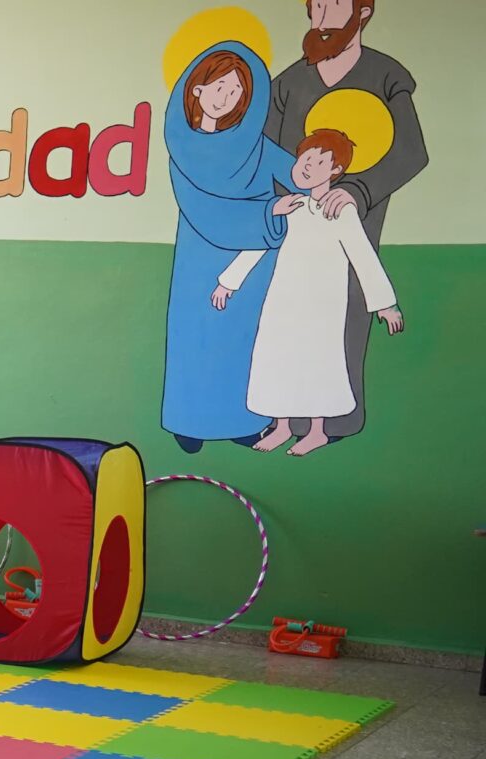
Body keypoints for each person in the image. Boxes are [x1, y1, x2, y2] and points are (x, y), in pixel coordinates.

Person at [262, 0, 428, 444]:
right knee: (286, 320)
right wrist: (285, 203)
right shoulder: (289, 82)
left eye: (333, 5)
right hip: (294, 226)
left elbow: (411, 152)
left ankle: (335, 421)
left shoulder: (386, 76)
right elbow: (268, 150)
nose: (321, 17)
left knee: (343, 315)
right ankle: (287, 419)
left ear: (364, 12)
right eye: (315, 6)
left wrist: (357, 190)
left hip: (352, 218)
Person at [212, 130, 404, 457]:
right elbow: (261, 243)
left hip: (323, 302)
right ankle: (282, 426)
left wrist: (385, 304)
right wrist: (229, 281)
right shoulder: (290, 205)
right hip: (284, 298)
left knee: (318, 360)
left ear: (335, 170)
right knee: (277, 357)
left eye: (317, 160)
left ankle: (317, 430)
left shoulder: (340, 210)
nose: (306, 165)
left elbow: (362, 253)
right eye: (304, 158)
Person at [160, 47, 290, 454]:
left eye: (236, 91)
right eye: (219, 86)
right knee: (194, 338)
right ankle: (189, 421)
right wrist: (268, 216)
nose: (227, 96)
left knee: (242, 341)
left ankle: (243, 420)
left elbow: (297, 174)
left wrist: (331, 184)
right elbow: (202, 207)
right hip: (201, 255)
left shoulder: (255, 145)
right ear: (196, 90)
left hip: (252, 260)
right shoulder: (184, 147)